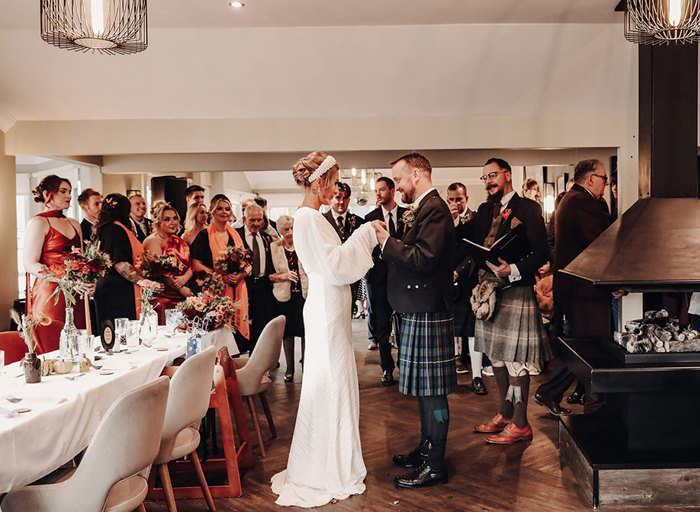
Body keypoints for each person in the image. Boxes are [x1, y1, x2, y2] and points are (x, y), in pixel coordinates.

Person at [271, 151, 379, 507]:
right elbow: (336, 266)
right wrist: (365, 233)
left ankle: (331, 458)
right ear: (318, 183)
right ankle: (326, 467)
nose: (336, 189)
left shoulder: (309, 217)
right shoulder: (308, 218)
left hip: (328, 304)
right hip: (326, 305)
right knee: (330, 381)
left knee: (333, 379)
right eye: (332, 182)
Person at [374, 152, 456, 489]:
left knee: (433, 391)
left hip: (427, 310)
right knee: (426, 390)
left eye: (400, 179)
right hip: (417, 309)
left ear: (418, 174)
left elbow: (424, 258)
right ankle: (426, 449)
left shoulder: (434, 208)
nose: (397, 186)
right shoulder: (424, 208)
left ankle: (435, 464)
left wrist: (386, 243)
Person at [462, 158, 551, 445]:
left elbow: (541, 253)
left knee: (514, 360)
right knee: (496, 357)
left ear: (507, 175)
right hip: (488, 290)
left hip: (514, 289)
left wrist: (511, 270)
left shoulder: (528, 208)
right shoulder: (486, 209)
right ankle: (505, 412)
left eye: (493, 175)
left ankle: (522, 424)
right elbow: (470, 241)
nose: (488, 181)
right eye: (484, 177)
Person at [534, 159, 616, 416]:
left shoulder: (571, 200)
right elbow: (600, 245)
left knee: (589, 348)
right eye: (604, 178)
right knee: (593, 349)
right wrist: (614, 281)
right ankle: (594, 407)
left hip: (578, 291)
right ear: (591, 178)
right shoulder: (582, 202)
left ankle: (556, 393)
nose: (607, 184)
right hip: (585, 293)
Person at [23, 175, 91, 353]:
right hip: (50, 293)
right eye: (63, 191)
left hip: (76, 293)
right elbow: (30, 264)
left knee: (78, 344)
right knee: (52, 344)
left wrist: (90, 282)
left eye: (69, 191)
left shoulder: (75, 223)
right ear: (47, 194)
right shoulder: (38, 222)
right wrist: (65, 279)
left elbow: (83, 261)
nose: (69, 196)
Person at [94, 194, 163, 328]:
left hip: (114, 289)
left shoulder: (109, 227)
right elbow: (120, 263)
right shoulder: (115, 229)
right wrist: (142, 281)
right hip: (117, 292)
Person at [190, 194, 251, 347]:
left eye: (227, 209)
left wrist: (240, 275)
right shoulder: (204, 236)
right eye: (220, 209)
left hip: (238, 289)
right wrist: (220, 277)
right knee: (219, 338)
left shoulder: (237, 234)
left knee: (238, 340)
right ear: (212, 211)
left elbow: (248, 262)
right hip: (216, 291)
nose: (224, 212)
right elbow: (196, 264)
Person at [363, 176, 405, 385]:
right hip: (378, 280)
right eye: (376, 191)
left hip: (403, 279)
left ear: (392, 190)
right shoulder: (370, 218)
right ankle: (387, 368)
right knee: (382, 327)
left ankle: (406, 367)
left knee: (405, 326)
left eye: (381, 189)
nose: (377, 194)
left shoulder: (408, 216)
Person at [447, 182, 487, 395]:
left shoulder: (476, 219)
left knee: (473, 331)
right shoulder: (443, 221)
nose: (455, 203)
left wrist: (459, 271)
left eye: (459, 199)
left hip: (469, 281)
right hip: (447, 283)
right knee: (449, 329)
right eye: (452, 199)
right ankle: (449, 376)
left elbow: (476, 251)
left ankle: (477, 376)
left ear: (466, 199)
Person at [269, 215, 307, 382]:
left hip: (305, 295)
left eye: (292, 228)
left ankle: (306, 366)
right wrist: (284, 276)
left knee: (306, 332)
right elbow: (268, 276)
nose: (290, 232)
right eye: (286, 229)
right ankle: (290, 368)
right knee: (288, 334)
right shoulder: (273, 247)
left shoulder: (304, 245)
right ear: (280, 231)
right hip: (284, 297)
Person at [142, 201, 194, 323]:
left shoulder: (179, 240)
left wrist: (185, 278)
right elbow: (161, 271)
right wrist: (181, 288)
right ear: (158, 222)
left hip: (182, 295)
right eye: (167, 219)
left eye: (175, 218)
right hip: (163, 297)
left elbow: (190, 266)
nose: (173, 222)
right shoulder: (152, 241)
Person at [323, 181, 367, 318]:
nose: (342, 202)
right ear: (331, 198)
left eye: (345, 198)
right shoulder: (322, 220)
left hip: (352, 280)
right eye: (338, 197)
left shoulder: (359, 222)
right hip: (329, 280)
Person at [236, 203, 276, 352]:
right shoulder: (236, 236)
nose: (256, 223)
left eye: (259, 220)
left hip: (263, 286)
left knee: (261, 325)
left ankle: (259, 358)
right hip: (243, 285)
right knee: (243, 323)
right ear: (244, 219)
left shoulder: (266, 238)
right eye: (252, 220)